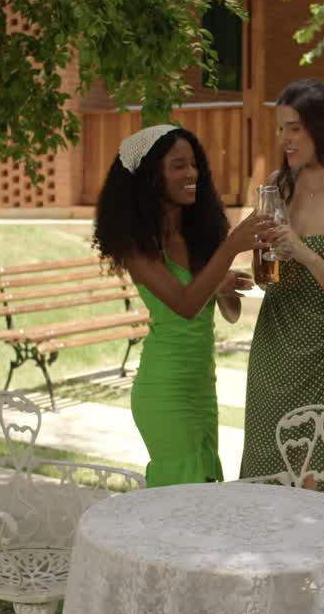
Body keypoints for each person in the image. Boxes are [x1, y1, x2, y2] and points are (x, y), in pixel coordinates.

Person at [92, 124, 266, 487]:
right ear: (151, 176)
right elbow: (185, 305)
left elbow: (230, 314)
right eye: (179, 166)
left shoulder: (198, 234)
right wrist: (233, 245)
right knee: (182, 499)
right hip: (166, 388)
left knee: (205, 490)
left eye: (194, 165)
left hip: (202, 385)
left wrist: (221, 286)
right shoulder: (136, 245)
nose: (192, 174)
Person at [238, 78, 324, 484]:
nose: (284, 138)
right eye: (281, 128)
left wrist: (306, 254)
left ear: (322, 128)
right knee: (264, 483)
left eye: (294, 128)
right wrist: (264, 255)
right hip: (272, 354)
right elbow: (268, 281)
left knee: (316, 489)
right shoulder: (276, 187)